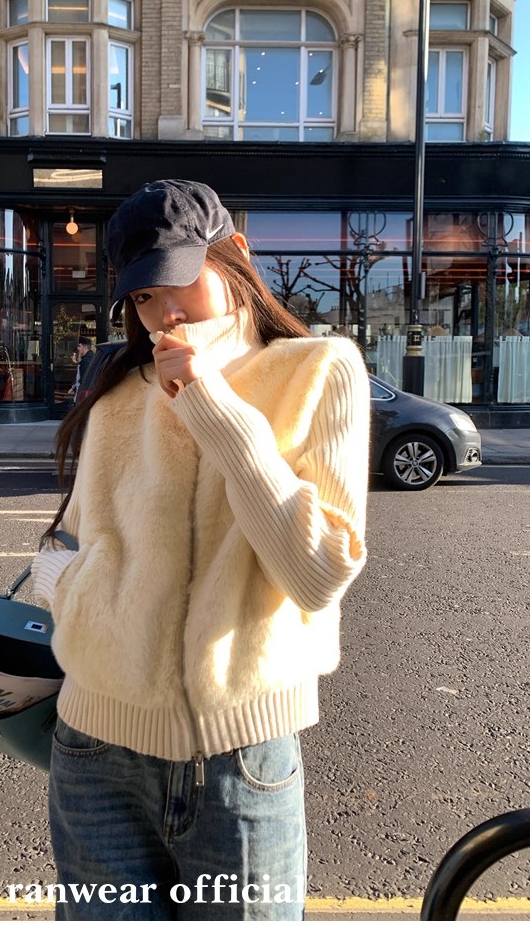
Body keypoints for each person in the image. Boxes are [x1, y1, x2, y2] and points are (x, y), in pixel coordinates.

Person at [31, 179, 370, 921]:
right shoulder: (118, 391)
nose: (164, 313)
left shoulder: (319, 371)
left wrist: (211, 403)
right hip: (95, 754)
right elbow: (68, 543)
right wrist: (73, 590)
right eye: (143, 297)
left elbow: (318, 574)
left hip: (241, 763)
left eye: (177, 280)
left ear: (235, 252)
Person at [68, 336, 94, 403]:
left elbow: (84, 379)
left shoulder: (86, 360)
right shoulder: (90, 358)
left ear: (85, 347)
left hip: (83, 394)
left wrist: (77, 390)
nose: (78, 348)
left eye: (79, 346)